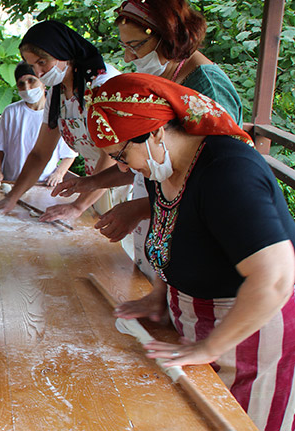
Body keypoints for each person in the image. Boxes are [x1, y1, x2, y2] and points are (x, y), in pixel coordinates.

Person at [86, 73, 295, 431]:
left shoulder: (228, 173)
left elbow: (275, 278)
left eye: (122, 155)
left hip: (253, 331)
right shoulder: (160, 168)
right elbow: (173, 234)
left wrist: (210, 348)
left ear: (155, 133)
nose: (122, 167)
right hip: (200, 321)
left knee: (239, 422)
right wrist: (159, 294)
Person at [54, 0, 245, 276]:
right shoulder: (167, 76)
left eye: (136, 46)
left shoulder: (207, 86)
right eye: (125, 47)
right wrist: (93, 182)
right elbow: (144, 161)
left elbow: (210, 179)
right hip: (167, 224)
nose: (129, 58)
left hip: (206, 240)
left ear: (168, 37)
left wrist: (140, 208)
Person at [0, 20, 123, 222]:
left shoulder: (101, 85)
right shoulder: (57, 95)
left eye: (42, 62)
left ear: (64, 52)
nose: (38, 73)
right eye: (32, 65)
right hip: (95, 181)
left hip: (120, 180)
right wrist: (11, 198)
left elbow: (114, 155)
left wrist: (78, 206)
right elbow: (40, 154)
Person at [0, 62, 77, 185]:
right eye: (21, 84)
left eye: (31, 81)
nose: (27, 88)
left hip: (43, 183)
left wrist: (59, 173)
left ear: (43, 82)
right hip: (11, 181)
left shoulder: (57, 113)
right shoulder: (11, 112)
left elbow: (70, 153)